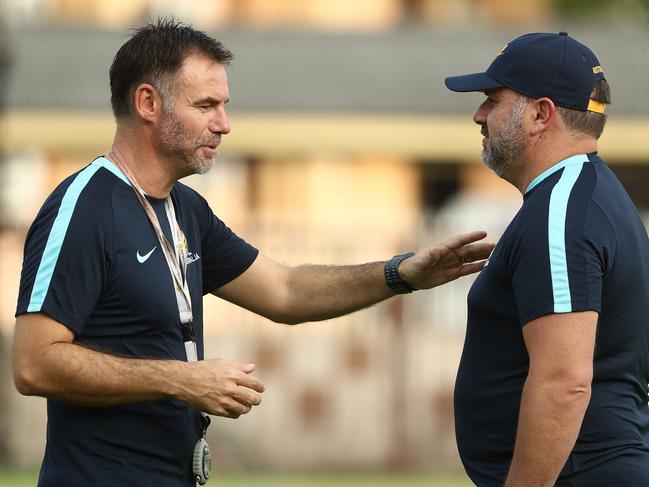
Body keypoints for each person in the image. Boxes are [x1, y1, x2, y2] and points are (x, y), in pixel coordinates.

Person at [12, 19, 493, 487]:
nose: (224, 124)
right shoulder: (84, 206)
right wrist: (182, 381)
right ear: (147, 103)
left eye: (224, 105)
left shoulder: (187, 210)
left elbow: (285, 290)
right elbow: (34, 363)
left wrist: (399, 274)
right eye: (206, 105)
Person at [445, 32, 649, 486]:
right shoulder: (592, 199)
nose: (479, 115)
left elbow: (564, 382)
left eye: (491, 100)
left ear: (541, 113)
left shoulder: (563, 210)